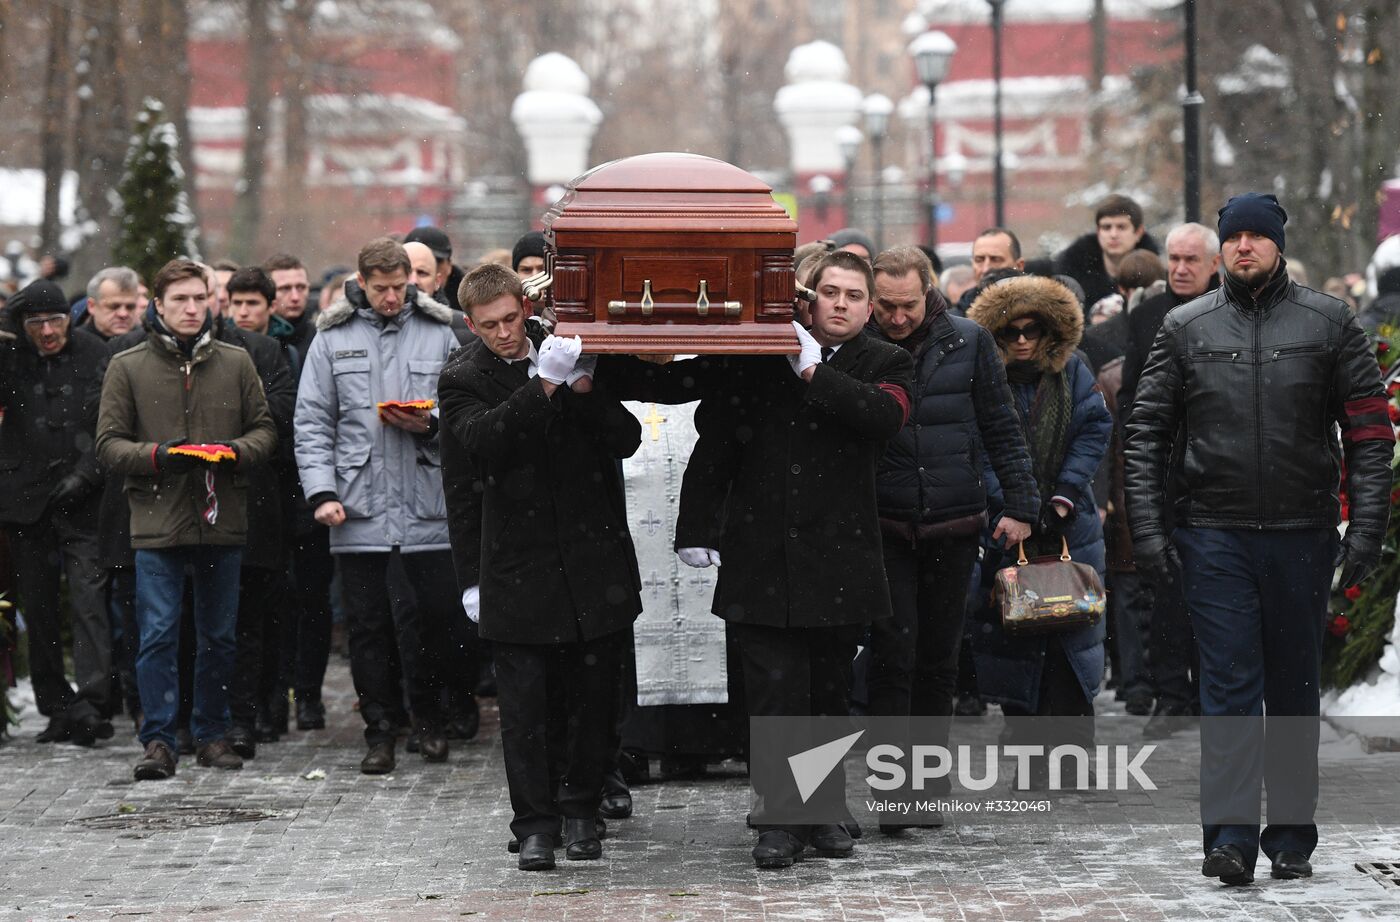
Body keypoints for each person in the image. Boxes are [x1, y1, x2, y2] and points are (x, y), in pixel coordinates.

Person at [602, 249, 915, 869]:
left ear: (870, 308)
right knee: (774, 693)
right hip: (761, 550)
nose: (842, 306)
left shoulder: (889, 361)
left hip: (840, 555)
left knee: (826, 693)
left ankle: (821, 811)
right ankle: (779, 818)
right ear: (810, 298)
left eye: (855, 297)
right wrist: (602, 351)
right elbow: (697, 414)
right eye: (832, 293)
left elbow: (880, 419)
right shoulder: (759, 358)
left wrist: (811, 371)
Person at [1125, 193, 1394, 886]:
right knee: (1229, 688)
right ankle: (1231, 837)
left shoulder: (1328, 322)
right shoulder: (1186, 327)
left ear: (1278, 244)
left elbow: (1369, 433)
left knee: (1294, 689)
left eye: (1257, 236)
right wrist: (1151, 532)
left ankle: (1293, 834)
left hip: (1302, 534)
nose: (1244, 247)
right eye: (1234, 236)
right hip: (1214, 531)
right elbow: (1147, 433)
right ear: (1221, 248)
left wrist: (1365, 527)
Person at [439, 263, 642, 870]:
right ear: (471, 326)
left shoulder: (569, 354)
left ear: (524, 311)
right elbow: (481, 449)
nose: (504, 334)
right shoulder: (461, 379)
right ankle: (534, 822)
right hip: (517, 562)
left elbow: (625, 438)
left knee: (593, 698)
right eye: (489, 326)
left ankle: (581, 809)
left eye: (510, 319)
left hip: (590, 557)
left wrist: (581, 388)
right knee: (525, 709)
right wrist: (542, 388)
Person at [863, 246, 1038, 831]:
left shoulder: (968, 341)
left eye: (907, 304)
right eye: (884, 305)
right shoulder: (863, 343)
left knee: (938, 657)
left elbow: (1000, 424)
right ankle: (894, 789)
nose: (896, 317)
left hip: (954, 520)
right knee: (893, 655)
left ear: (928, 291)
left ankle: (928, 783)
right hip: (884, 522)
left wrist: (1020, 504)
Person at [96, 259, 278, 780]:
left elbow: (265, 431)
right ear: (157, 304)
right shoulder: (127, 365)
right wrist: (158, 455)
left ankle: (212, 733)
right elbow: (108, 445)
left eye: (199, 298)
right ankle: (158, 738)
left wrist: (233, 452)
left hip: (222, 516)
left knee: (220, 635)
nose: (192, 308)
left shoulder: (236, 362)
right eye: (180, 299)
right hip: (156, 517)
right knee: (157, 633)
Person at [294, 237, 466, 774]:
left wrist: (431, 425)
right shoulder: (332, 338)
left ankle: (431, 720)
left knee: (435, 621)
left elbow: (464, 411)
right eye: (382, 288)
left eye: (400, 287)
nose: (392, 297)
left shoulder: (441, 332)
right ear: (362, 283)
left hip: (427, 503)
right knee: (369, 626)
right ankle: (380, 731)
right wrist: (322, 493)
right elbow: (312, 423)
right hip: (358, 505)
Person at [965, 274, 1113, 789]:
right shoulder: (982, 378)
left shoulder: (1072, 371)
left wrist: (1065, 491)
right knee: (1017, 643)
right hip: (1004, 529)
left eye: (1033, 329)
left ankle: (1072, 762)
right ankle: (1030, 762)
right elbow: (976, 444)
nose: (1023, 340)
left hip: (1069, 525)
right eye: (1011, 332)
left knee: (1071, 647)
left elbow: (1096, 428)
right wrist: (1007, 501)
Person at [0, 281, 113, 745]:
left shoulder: (95, 353)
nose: (48, 332)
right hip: (25, 502)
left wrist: (85, 474)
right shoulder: (10, 357)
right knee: (39, 608)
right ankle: (55, 704)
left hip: (84, 499)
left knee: (90, 602)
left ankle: (91, 701)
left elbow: (111, 421)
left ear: (71, 317)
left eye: (56, 321)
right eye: (36, 324)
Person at [1054, 194, 1159, 312]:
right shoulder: (1072, 272)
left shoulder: (1155, 280)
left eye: (1121, 227)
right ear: (1098, 232)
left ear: (1138, 232)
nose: (1113, 235)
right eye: (1106, 227)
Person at [405, 225, 466, 313]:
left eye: (436, 261)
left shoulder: (471, 306)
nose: (414, 280)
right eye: (409, 270)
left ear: (449, 265)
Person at [79, 267, 143, 341]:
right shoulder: (73, 345)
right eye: (113, 306)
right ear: (92, 306)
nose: (123, 314)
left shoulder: (148, 342)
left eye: (130, 307)